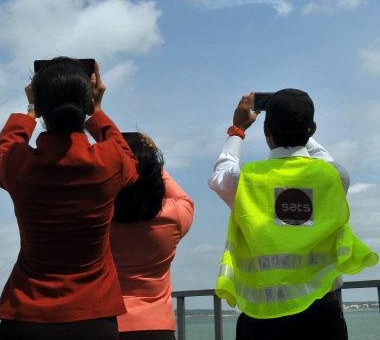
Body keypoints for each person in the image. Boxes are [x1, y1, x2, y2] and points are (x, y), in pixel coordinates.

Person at [0, 57, 139, 340]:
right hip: (94, 317)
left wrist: (30, 112)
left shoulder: (19, 164)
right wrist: (98, 111)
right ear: (87, 102)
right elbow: (129, 161)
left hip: (26, 315)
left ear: (42, 106)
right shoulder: (110, 162)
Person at [209, 88, 378, 340]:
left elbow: (221, 173)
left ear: (266, 132)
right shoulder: (335, 177)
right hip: (322, 318)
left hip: (262, 318)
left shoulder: (245, 181)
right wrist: (299, 124)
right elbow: (325, 159)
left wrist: (238, 129)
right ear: (313, 129)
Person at [107, 132, 194, 340]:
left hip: (109, 324)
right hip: (158, 328)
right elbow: (184, 198)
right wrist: (148, 159)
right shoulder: (174, 217)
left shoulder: (98, 221)